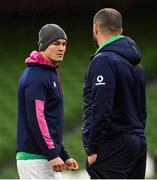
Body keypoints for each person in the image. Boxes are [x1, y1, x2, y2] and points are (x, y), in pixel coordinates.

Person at [82, 8, 147, 179]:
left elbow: (101, 107)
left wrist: (92, 147)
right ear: (121, 31)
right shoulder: (136, 65)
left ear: (95, 28)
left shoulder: (103, 60)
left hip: (113, 146)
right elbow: (142, 110)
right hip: (137, 142)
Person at [16, 24, 79, 179]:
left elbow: (50, 122)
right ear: (44, 45)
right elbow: (37, 118)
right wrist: (52, 153)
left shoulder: (48, 73)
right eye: (56, 43)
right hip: (35, 158)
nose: (61, 48)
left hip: (44, 157)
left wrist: (63, 154)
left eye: (64, 44)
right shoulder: (36, 76)